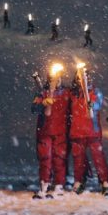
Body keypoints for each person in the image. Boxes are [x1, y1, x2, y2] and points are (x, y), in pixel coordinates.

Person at [68, 70, 108, 196]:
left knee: (99, 159)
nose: (83, 79)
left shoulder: (94, 92)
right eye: (80, 77)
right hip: (77, 132)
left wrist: (91, 105)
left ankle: (105, 183)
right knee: (78, 159)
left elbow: (96, 105)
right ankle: (79, 182)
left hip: (92, 133)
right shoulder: (72, 94)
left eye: (86, 76)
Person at [32, 69, 70, 198]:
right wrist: (42, 103)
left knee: (59, 159)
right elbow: (34, 108)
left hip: (61, 132)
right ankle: (44, 185)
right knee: (45, 159)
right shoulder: (42, 93)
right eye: (53, 79)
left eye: (58, 79)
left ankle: (58, 185)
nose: (56, 81)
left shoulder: (67, 93)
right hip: (45, 131)